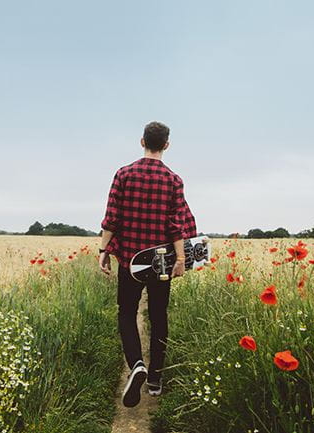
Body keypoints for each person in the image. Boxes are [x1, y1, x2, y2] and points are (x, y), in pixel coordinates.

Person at [98, 121, 197, 408]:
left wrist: (104, 250)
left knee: (127, 314)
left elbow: (111, 218)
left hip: (130, 260)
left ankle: (137, 365)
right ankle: (155, 379)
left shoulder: (123, 174)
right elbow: (176, 225)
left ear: (141, 141)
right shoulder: (174, 180)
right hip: (160, 263)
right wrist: (180, 259)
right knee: (158, 316)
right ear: (166, 145)